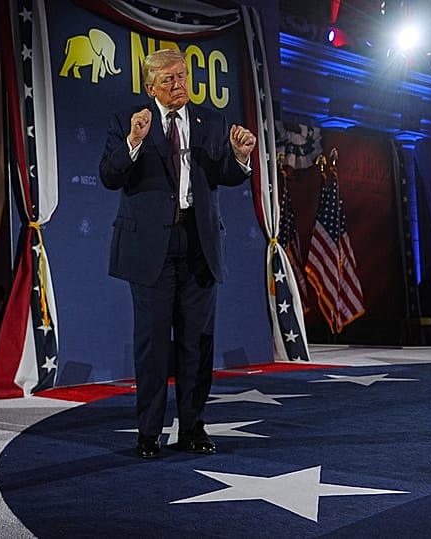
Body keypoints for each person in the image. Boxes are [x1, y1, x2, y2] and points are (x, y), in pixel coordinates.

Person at [99, 48, 257, 459]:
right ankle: (148, 433)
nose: (178, 85)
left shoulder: (211, 121)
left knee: (196, 342)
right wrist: (134, 142)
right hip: (151, 247)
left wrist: (241, 156)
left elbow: (224, 174)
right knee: (152, 344)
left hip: (199, 244)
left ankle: (192, 427)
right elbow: (109, 176)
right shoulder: (129, 122)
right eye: (167, 80)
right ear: (150, 86)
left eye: (182, 77)